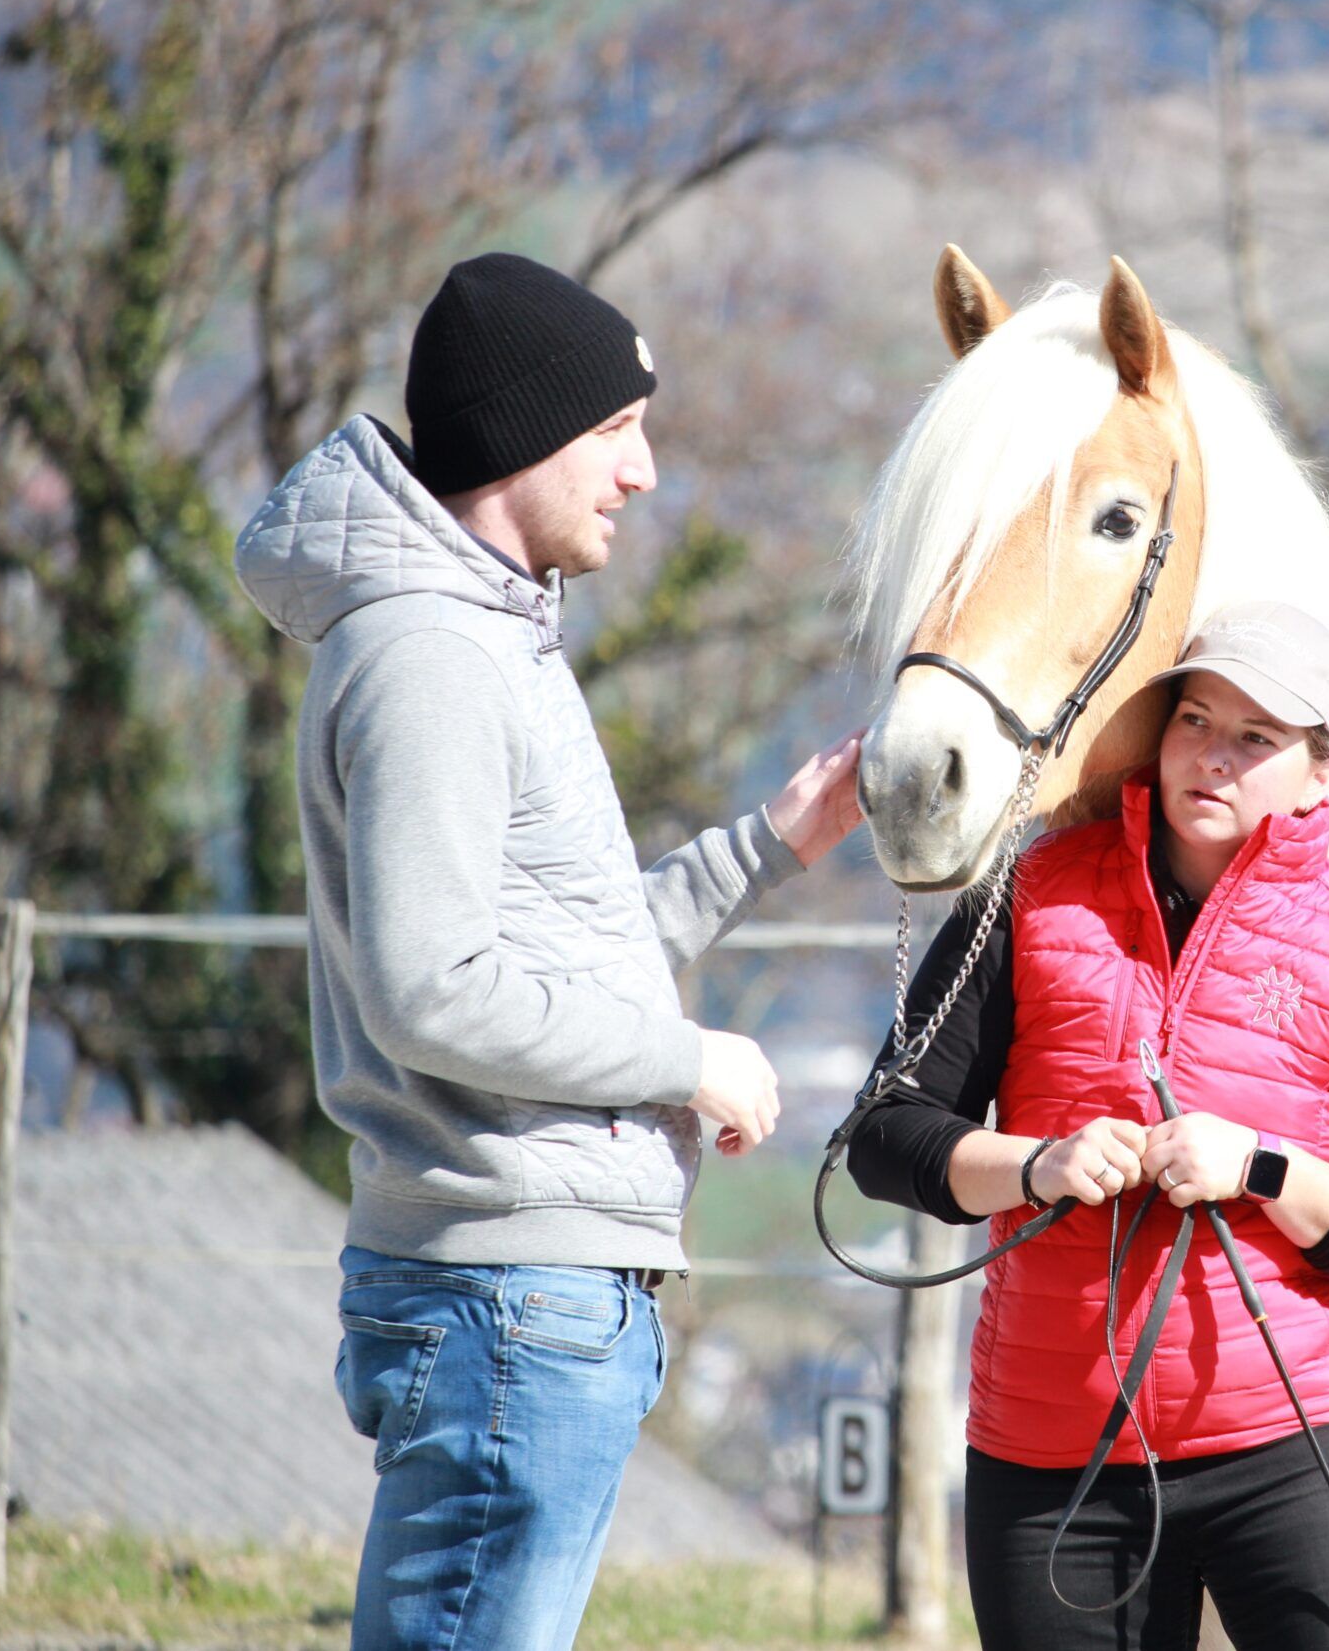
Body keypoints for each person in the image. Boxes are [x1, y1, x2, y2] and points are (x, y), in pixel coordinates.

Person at [233, 251, 863, 1650]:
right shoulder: (435, 660)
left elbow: (566, 951)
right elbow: (435, 991)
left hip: (526, 1303)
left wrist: (774, 841)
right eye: (616, 429)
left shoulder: (488, 639)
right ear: (522, 436)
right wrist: (688, 1060)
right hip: (508, 1307)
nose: (644, 470)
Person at [849, 602, 1329, 1651]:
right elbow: (882, 1135)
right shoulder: (1025, 900)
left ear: (1322, 775)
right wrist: (1037, 1164)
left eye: (1256, 738)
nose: (1214, 757)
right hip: (1053, 1461)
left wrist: (1260, 1167)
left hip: (1296, 1447)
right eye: (1195, 720)